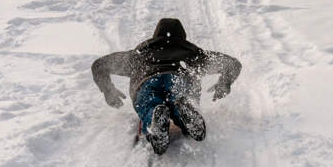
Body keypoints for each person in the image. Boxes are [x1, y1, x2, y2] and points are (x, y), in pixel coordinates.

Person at [91, 18, 241, 155]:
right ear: (182, 37)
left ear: (155, 36)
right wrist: (224, 83)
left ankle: (154, 118)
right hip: (179, 77)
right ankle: (186, 112)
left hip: (146, 81)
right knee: (180, 97)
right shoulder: (191, 53)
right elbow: (233, 64)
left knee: (148, 103)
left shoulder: (138, 55)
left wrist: (108, 90)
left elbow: (99, 66)